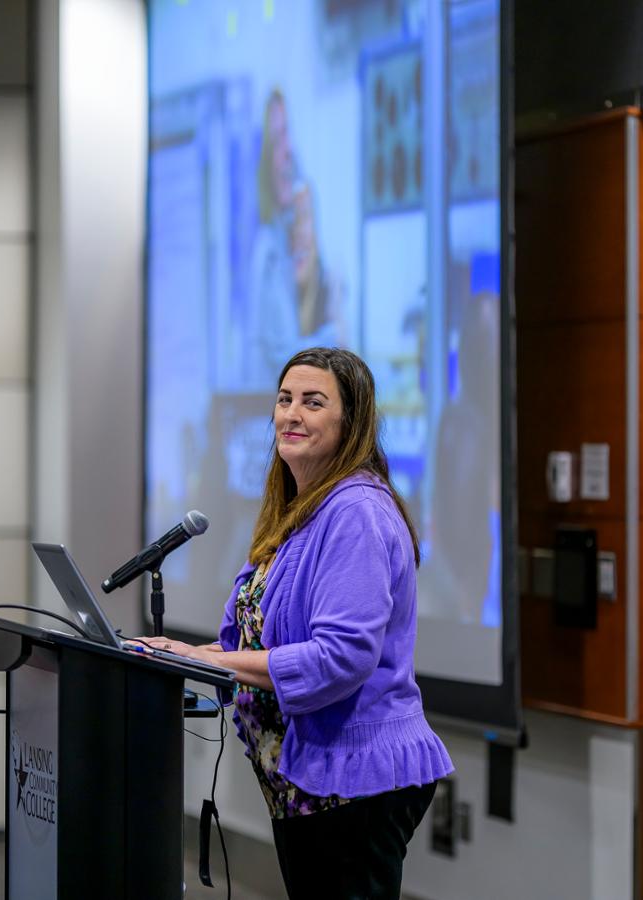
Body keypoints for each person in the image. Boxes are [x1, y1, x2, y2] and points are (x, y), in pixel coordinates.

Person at [140, 347, 453, 899]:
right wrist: (187, 653)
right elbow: (268, 640)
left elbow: (340, 658)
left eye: (313, 402)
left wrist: (210, 660)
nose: (292, 414)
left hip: (356, 782)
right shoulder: (301, 508)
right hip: (307, 783)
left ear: (350, 421)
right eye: (285, 400)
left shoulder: (355, 511)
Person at [248, 92, 344, 383]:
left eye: (288, 133)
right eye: (276, 140)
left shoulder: (319, 261)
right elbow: (283, 357)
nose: (287, 151)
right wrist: (332, 341)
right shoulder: (267, 253)